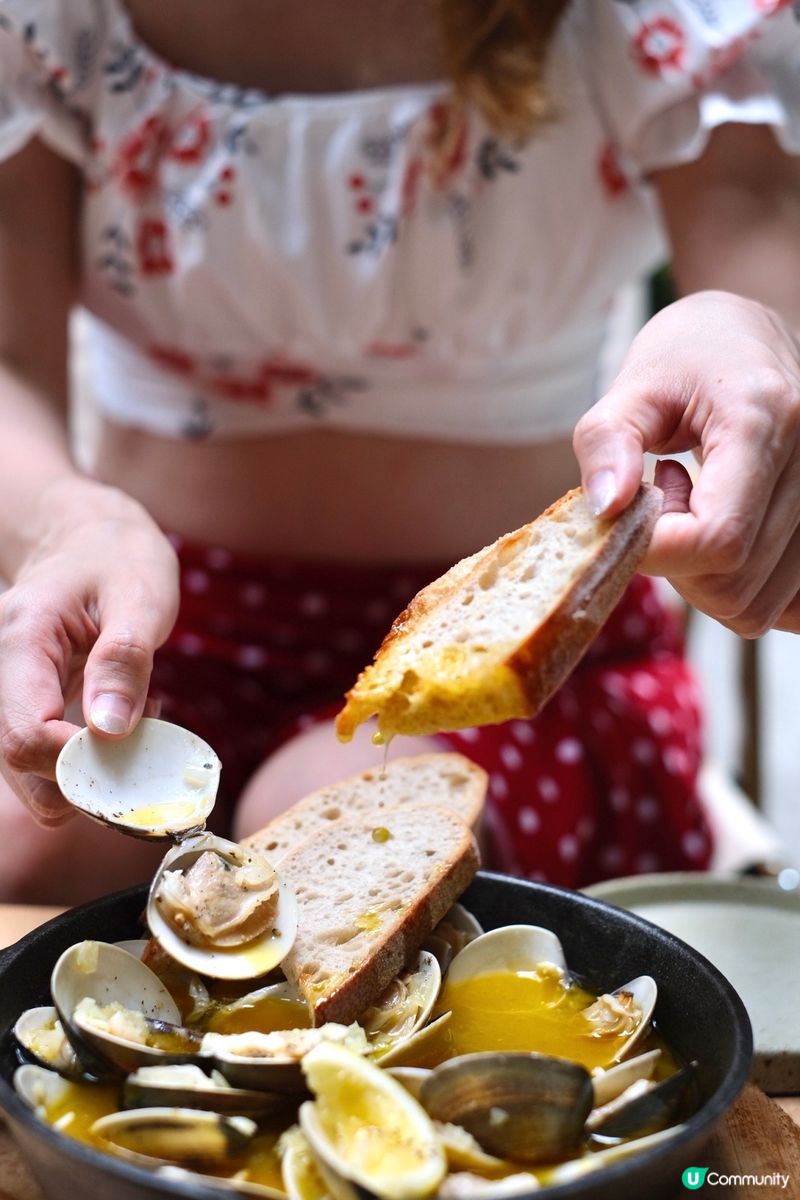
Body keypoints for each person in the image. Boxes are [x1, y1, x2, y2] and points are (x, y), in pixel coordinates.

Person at [0, 0, 798, 904]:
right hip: (156, 634)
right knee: (25, 846)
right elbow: (11, 361)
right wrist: (66, 525)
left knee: (335, 864)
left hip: (509, 672)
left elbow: (761, 269)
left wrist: (753, 338)